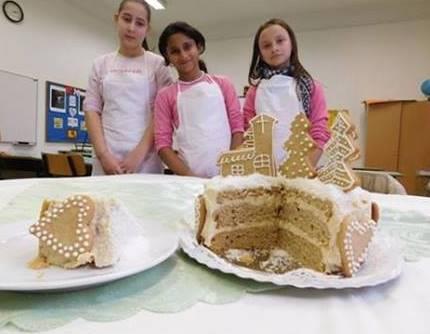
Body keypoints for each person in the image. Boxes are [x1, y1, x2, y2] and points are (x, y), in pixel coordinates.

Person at [83, 0, 173, 175]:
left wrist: (139, 154)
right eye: (126, 19)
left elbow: (162, 113)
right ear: (116, 19)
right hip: (107, 158)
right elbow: (91, 109)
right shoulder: (101, 64)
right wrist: (103, 155)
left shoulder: (158, 64)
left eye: (139, 23)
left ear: (147, 29)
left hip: (145, 159)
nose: (131, 28)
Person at [154, 21, 244, 178]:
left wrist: (229, 169)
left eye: (187, 47)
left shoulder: (223, 84)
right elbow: (163, 146)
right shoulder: (165, 96)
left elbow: (238, 128)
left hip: (227, 177)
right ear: (168, 58)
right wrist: (189, 176)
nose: (183, 55)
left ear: (199, 47)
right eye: (175, 51)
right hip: (188, 180)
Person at [243, 18, 330, 167]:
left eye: (280, 41)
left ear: (292, 44)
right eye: (266, 45)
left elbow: (319, 131)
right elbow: (248, 131)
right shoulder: (254, 92)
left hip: (302, 168)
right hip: (263, 170)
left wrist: (304, 167)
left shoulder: (311, 87)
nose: (274, 48)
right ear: (260, 53)